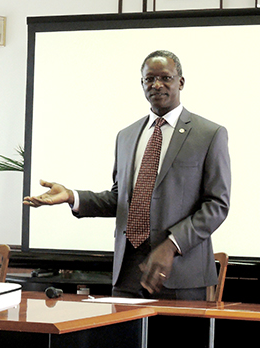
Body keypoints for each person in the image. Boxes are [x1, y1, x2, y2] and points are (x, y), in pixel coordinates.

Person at [24, 50, 231, 301]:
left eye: (165, 78)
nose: (157, 85)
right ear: (142, 84)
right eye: (149, 79)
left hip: (181, 272)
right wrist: (72, 196)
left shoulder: (209, 134)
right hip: (127, 273)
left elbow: (216, 205)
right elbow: (120, 199)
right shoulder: (127, 136)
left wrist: (172, 244)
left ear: (181, 82)